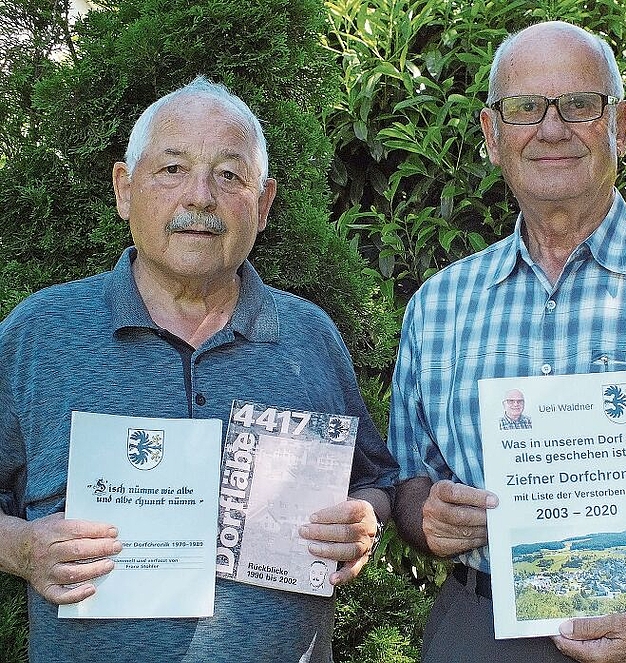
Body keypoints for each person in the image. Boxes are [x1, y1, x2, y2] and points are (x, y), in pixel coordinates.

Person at [387, 20, 626, 663]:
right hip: (481, 634)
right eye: (525, 107)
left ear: (619, 123)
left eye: (579, 105)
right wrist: (425, 514)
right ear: (492, 134)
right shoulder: (438, 306)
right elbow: (403, 482)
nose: (551, 128)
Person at [0, 76, 397, 663]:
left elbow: (377, 482)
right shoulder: (41, 332)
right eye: (172, 169)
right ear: (123, 188)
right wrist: (19, 548)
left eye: (229, 174)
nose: (201, 197)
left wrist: (364, 522)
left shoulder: (309, 337)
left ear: (263, 206)